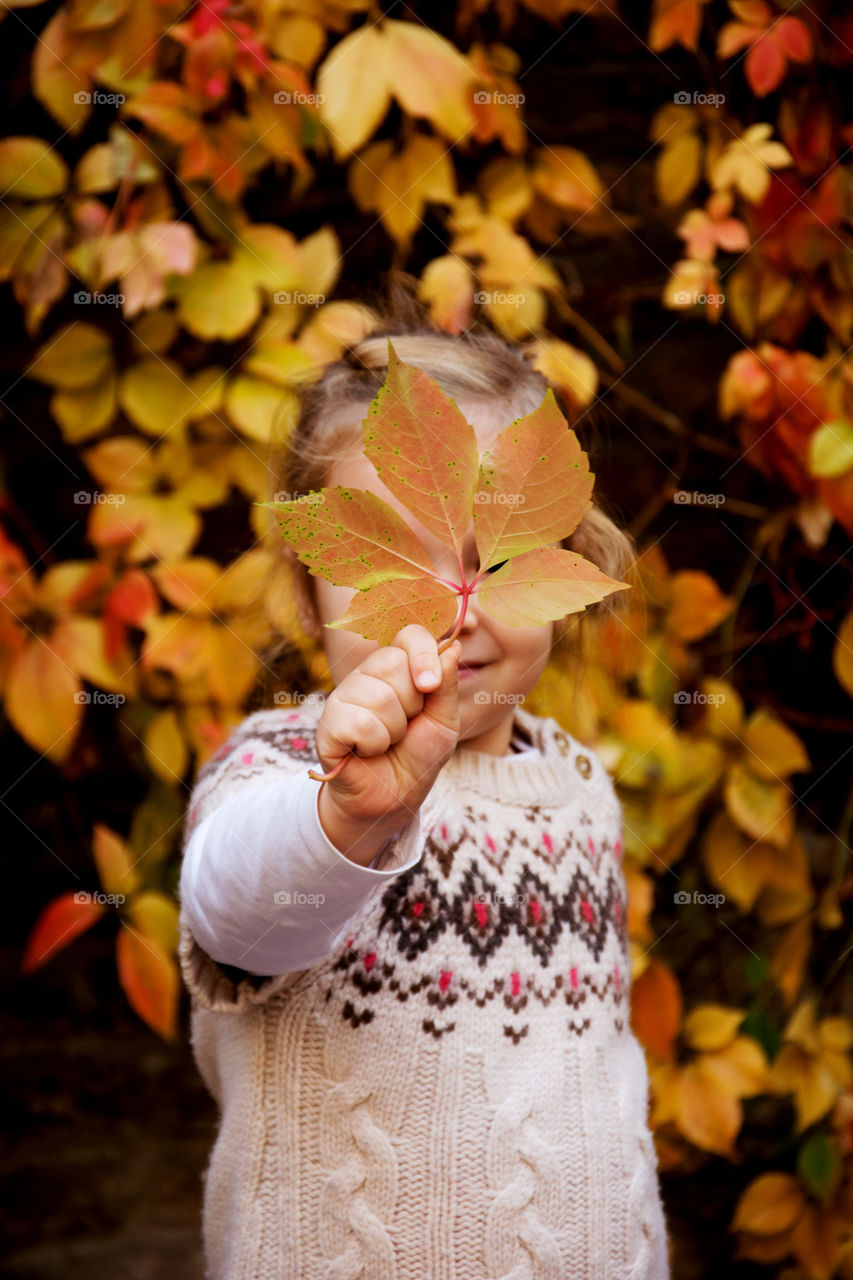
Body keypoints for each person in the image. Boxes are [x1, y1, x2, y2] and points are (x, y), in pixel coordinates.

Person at [178, 284, 673, 1279]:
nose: (454, 610)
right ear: (306, 585)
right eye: (386, 565)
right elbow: (237, 916)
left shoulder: (582, 792)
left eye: (497, 563)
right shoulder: (286, 767)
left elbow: (599, 1087)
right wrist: (347, 817)